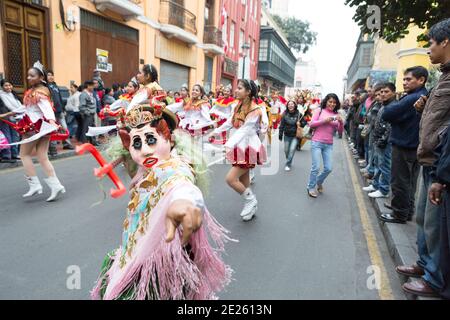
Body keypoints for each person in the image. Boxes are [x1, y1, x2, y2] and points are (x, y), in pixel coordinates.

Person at [90, 104, 232, 300]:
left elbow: (183, 184)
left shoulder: (175, 167)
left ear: (169, 138)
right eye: (136, 144)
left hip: (160, 265)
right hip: (138, 255)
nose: (145, 151)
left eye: (151, 140)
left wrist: (185, 203)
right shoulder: (148, 168)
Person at [398, 18, 450, 298]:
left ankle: (434, 278)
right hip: (429, 161)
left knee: (434, 225)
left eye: (431, 43)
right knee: (422, 219)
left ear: (445, 42)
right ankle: (423, 264)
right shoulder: (442, 77)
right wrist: (424, 106)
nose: (428, 49)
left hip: (441, 165)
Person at [0, 62, 65, 201]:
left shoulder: (38, 92)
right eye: (28, 75)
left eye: (32, 75)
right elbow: (26, 107)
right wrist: (6, 115)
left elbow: (46, 107)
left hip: (34, 126)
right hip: (42, 126)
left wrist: (52, 121)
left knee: (24, 155)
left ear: (41, 77)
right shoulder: (37, 90)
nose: (28, 78)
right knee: (42, 156)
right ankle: (55, 185)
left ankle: (35, 185)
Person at [210, 79, 267, 221]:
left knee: (230, 179)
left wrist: (228, 145)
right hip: (239, 146)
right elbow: (230, 122)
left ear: (248, 92)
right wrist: (216, 132)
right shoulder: (238, 105)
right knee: (243, 178)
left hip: (248, 147)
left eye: (240, 88)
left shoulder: (255, 110)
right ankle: (251, 204)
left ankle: (251, 201)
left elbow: (244, 130)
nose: (236, 90)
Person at [380, 66, 429, 223]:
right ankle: (406, 211)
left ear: (421, 80)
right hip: (412, 145)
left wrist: (395, 117)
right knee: (410, 182)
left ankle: (399, 214)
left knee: (400, 181)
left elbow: (387, 114)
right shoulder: (420, 95)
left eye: (409, 79)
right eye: (404, 79)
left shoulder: (412, 97)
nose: (405, 82)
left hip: (404, 145)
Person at [307, 93, 344, 198]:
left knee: (328, 168)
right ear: (326, 102)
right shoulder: (320, 110)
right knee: (316, 167)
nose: (332, 104)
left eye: (334, 102)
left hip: (328, 144)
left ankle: (318, 181)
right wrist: (324, 121)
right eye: (330, 101)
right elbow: (312, 124)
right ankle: (310, 187)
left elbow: (340, 132)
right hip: (316, 142)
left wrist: (341, 122)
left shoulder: (336, 114)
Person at [362, 83, 395, 199]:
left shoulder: (392, 106)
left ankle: (384, 189)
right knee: (377, 163)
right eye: (381, 92)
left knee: (384, 166)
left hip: (385, 142)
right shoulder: (383, 105)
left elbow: (389, 126)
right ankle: (376, 185)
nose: (383, 94)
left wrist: (382, 140)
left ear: (393, 93)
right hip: (378, 140)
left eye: (386, 92)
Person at [47, 70, 74, 151]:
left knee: (64, 128)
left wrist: (63, 108)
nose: (51, 77)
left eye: (52, 75)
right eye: (48, 75)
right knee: (53, 129)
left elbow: (60, 98)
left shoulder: (55, 86)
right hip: (51, 111)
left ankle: (67, 143)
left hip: (60, 110)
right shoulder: (45, 86)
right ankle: (52, 147)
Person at [0, 79, 22, 162]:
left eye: (10, 85)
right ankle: (7, 155)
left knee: (15, 136)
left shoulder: (13, 94)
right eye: (6, 85)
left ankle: (14, 154)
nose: (8, 87)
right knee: (7, 136)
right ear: (2, 87)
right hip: (4, 119)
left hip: (15, 117)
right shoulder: (1, 95)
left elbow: (19, 105)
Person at [279, 100, 301, 171]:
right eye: (289, 104)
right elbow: (281, 125)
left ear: (294, 105)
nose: (290, 105)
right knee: (286, 150)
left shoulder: (299, 114)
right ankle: (289, 159)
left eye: (292, 104)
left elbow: (304, 122)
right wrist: (280, 134)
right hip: (287, 135)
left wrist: (300, 123)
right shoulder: (284, 114)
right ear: (287, 106)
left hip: (295, 136)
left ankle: (288, 164)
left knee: (291, 150)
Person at [79, 81, 98, 145]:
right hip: (88, 115)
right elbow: (82, 106)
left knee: (92, 128)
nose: (93, 87)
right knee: (86, 129)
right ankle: (85, 143)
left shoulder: (90, 94)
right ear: (88, 86)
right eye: (92, 85)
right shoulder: (83, 94)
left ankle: (93, 142)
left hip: (91, 114)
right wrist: (88, 113)